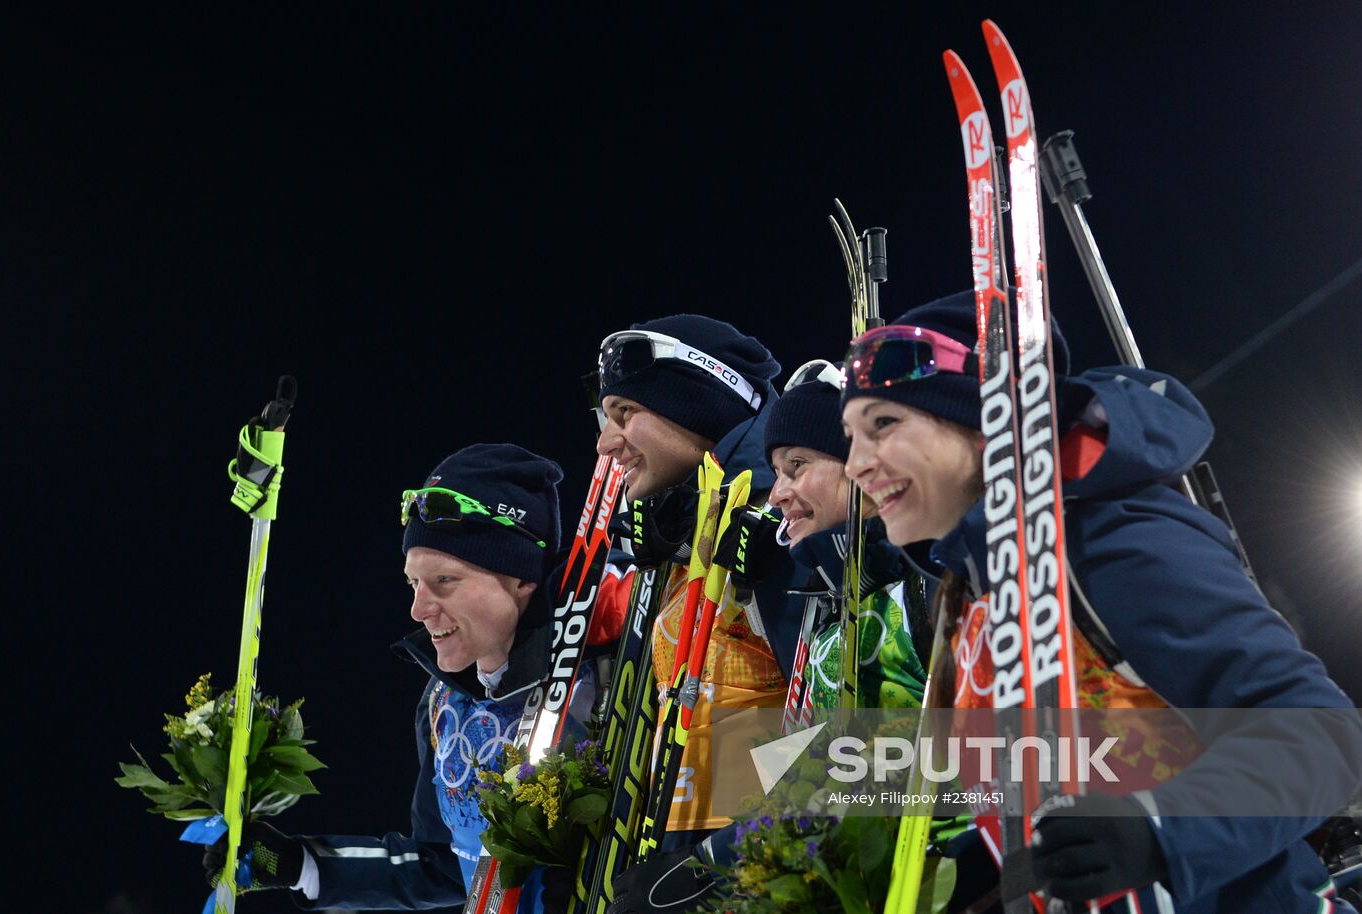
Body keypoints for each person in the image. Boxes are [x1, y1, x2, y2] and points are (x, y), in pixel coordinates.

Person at [840, 290, 1362, 913]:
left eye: (884, 425)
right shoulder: (968, 598)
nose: (855, 465)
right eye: (850, 437)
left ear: (983, 426)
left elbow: (1321, 732)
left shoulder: (1107, 540)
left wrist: (1161, 829)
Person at [203, 443, 618, 911]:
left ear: (521, 577)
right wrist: (301, 864)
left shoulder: (603, 679)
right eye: (413, 583)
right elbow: (443, 864)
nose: (419, 610)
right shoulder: (443, 702)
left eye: (445, 581)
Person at [591, 314, 803, 911]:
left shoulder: (779, 529)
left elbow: (855, 734)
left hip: (768, 884)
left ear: (699, 407)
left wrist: (717, 865)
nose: (606, 443)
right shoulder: (681, 540)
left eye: (625, 413)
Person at [765, 360, 926, 719]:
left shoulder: (926, 585)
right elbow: (811, 745)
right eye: (776, 473)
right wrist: (762, 774)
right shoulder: (823, 596)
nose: (776, 494)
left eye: (796, 465)